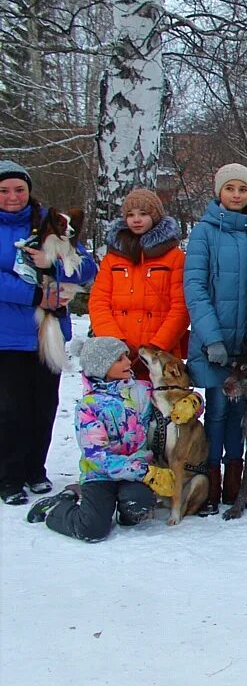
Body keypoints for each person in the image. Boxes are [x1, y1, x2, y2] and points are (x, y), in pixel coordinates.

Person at [0, 160, 97, 505]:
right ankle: (9, 476)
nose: (12, 196)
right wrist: (35, 294)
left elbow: (87, 268)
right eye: (4, 190)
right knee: (11, 408)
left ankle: (34, 470)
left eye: (19, 189)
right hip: (7, 335)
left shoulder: (49, 223)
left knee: (45, 404)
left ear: (29, 191)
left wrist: (51, 264)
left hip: (48, 330)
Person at [183, 163, 247, 516]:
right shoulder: (205, 233)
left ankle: (237, 486)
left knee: (242, 416)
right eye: (230, 188)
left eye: (242, 189)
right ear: (218, 192)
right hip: (215, 344)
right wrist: (211, 338)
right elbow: (195, 287)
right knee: (218, 413)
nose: (236, 195)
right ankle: (211, 485)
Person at [25, 337, 177, 541]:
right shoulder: (88, 407)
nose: (128, 362)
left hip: (134, 472)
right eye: (119, 359)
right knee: (92, 529)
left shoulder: (142, 390)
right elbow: (98, 458)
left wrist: (194, 403)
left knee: (139, 505)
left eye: (126, 356)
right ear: (101, 367)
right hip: (100, 475)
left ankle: (120, 508)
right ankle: (57, 509)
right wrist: (145, 472)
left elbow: (175, 396)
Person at [89, 187, 189, 372]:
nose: (136, 219)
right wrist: (116, 345)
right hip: (119, 358)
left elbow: (181, 308)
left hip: (160, 356)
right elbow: (98, 302)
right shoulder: (112, 258)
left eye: (143, 213)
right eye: (130, 214)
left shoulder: (174, 257)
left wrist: (156, 347)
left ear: (155, 216)